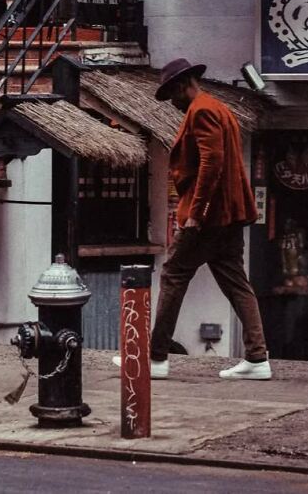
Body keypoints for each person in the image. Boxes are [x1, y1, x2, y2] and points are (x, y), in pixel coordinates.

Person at [115, 58, 271, 381]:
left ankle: (156, 357)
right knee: (236, 283)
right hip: (228, 216)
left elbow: (211, 164)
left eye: (172, 93)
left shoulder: (201, 111)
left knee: (173, 274)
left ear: (185, 85)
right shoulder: (219, 108)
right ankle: (257, 357)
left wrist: (196, 214)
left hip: (209, 218)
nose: (172, 102)